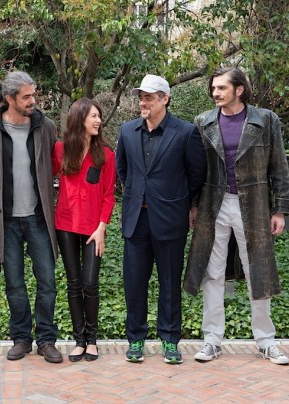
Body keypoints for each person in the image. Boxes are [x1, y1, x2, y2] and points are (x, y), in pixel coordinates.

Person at [184, 67, 289, 365]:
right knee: (212, 270)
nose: (215, 93)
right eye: (213, 88)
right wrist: (193, 205)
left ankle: (266, 341)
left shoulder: (265, 120)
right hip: (213, 204)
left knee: (258, 268)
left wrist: (280, 209)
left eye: (221, 88)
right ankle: (212, 339)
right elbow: (196, 169)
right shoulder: (204, 122)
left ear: (239, 89)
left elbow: (279, 166)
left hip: (255, 204)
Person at [0, 71, 62, 363]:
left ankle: (46, 339)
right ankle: (21, 338)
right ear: (9, 99)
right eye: (26, 96)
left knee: (47, 282)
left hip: (38, 218)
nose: (33, 100)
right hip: (5, 220)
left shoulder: (46, 127)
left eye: (34, 94)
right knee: (15, 283)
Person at [116, 74, 206, 364]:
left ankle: (169, 340)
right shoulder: (127, 131)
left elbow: (196, 175)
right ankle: (136, 340)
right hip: (135, 220)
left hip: (170, 220)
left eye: (149, 97)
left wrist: (175, 201)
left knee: (169, 284)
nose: (143, 102)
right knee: (134, 283)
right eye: (141, 96)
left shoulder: (185, 132)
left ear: (165, 99)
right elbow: (123, 171)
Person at [53, 98, 116, 362]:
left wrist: (102, 227)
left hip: (93, 228)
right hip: (65, 224)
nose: (98, 120)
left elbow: (109, 195)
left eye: (99, 116)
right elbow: (46, 175)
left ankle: (92, 339)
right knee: (73, 282)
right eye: (93, 116)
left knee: (90, 283)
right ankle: (79, 340)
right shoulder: (61, 150)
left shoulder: (106, 155)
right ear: (79, 119)